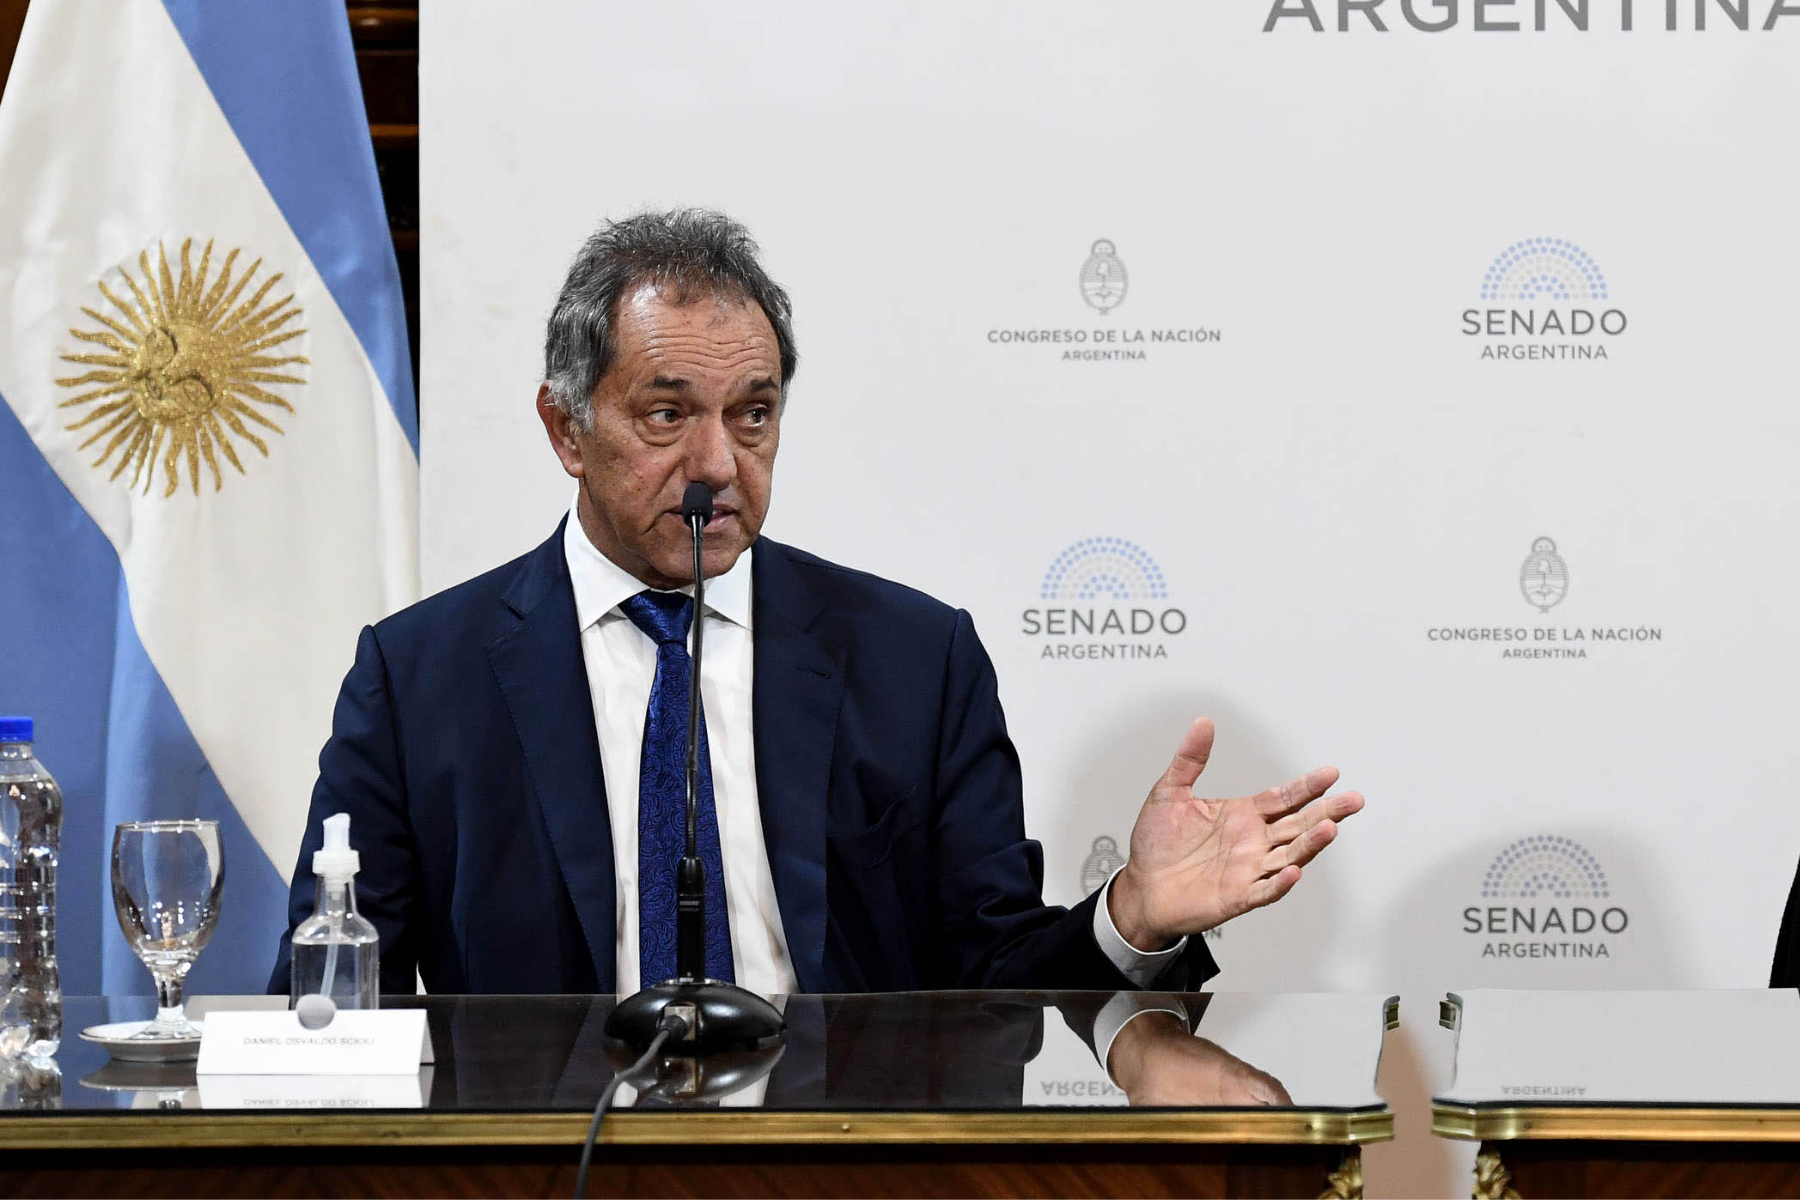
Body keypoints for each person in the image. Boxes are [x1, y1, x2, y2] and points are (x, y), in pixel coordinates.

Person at [268, 209, 1363, 997]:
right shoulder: (421, 679)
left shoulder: (912, 661)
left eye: (753, 415)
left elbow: (995, 986)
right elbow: (321, 996)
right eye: (664, 415)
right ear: (566, 429)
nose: (717, 465)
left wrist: (1131, 915)